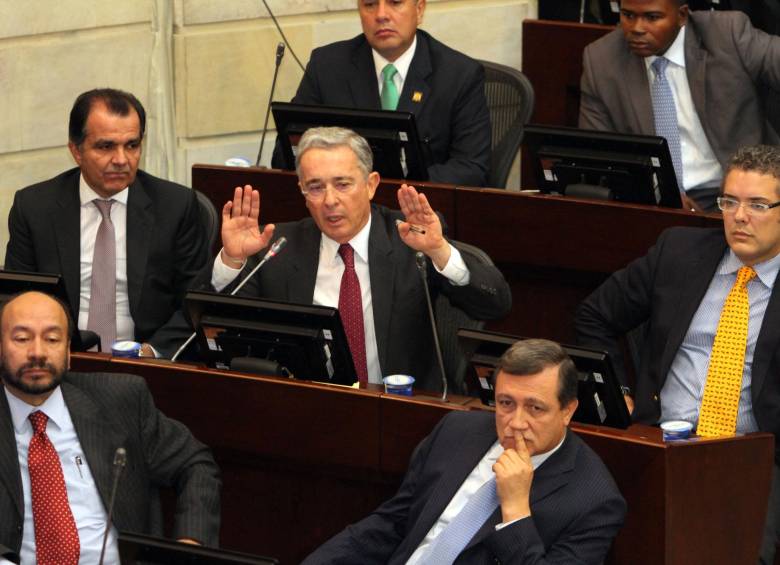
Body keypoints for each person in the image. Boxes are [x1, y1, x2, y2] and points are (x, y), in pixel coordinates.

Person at [575, 144, 780, 564]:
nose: (739, 217)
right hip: (658, 441)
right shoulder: (679, 252)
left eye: (757, 205)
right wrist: (621, 391)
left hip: (753, 457)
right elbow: (594, 316)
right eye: (730, 201)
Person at [212, 126, 511, 391]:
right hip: (308, 408)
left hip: (400, 408)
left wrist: (440, 251)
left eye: (343, 184)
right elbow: (215, 325)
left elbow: (495, 302)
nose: (330, 200)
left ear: (371, 185)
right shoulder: (276, 247)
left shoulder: (410, 242)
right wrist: (231, 261)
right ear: (302, 192)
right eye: (316, 187)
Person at [301, 339, 627, 564]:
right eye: (505, 403)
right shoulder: (457, 431)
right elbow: (393, 523)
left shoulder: (595, 500)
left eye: (535, 408)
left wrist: (515, 510)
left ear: (568, 411)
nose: (516, 422)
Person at [0, 291, 220, 565]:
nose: (37, 353)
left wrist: (189, 546)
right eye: (22, 339)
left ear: (68, 353)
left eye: (52, 339)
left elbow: (195, 463)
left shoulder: (119, 400)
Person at [4, 88, 209, 357]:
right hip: (61, 361)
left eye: (132, 145)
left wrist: (151, 352)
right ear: (76, 151)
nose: (121, 160)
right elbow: (17, 300)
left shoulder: (176, 206)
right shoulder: (34, 207)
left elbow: (193, 302)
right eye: (106, 146)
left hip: (145, 361)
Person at [579, 0, 780, 212]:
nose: (637, 28)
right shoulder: (601, 60)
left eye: (652, 17)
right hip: (656, 205)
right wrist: (659, 194)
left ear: (682, 16)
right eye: (628, 15)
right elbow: (597, 155)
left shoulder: (727, 34)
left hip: (741, 195)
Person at [271, 0, 491, 187]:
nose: (382, 15)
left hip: (423, 214)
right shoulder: (327, 66)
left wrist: (394, 189)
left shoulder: (459, 75)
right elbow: (285, 154)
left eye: (395, 2)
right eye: (370, 4)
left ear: (420, 9)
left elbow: (471, 168)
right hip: (340, 211)